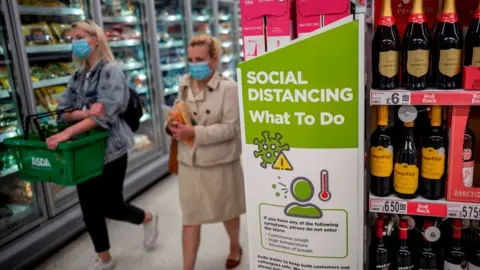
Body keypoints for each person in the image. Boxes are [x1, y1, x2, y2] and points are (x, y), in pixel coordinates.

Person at [45, 20, 158, 270]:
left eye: (78, 36)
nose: (74, 42)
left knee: (111, 205)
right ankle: (105, 258)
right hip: (84, 150)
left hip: (111, 150)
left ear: (95, 39)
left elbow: (104, 116)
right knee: (89, 208)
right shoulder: (77, 76)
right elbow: (62, 111)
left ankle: (147, 217)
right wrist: (86, 114)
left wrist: (69, 130)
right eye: (71, 38)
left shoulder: (112, 72)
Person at [166, 34, 246, 270]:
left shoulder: (229, 88)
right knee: (190, 218)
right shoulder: (184, 83)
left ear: (213, 60)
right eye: (191, 59)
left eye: (199, 59)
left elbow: (232, 128)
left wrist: (194, 132)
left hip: (219, 162)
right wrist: (172, 125)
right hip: (189, 162)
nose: (194, 65)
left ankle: (235, 246)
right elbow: (176, 113)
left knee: (227, 210)